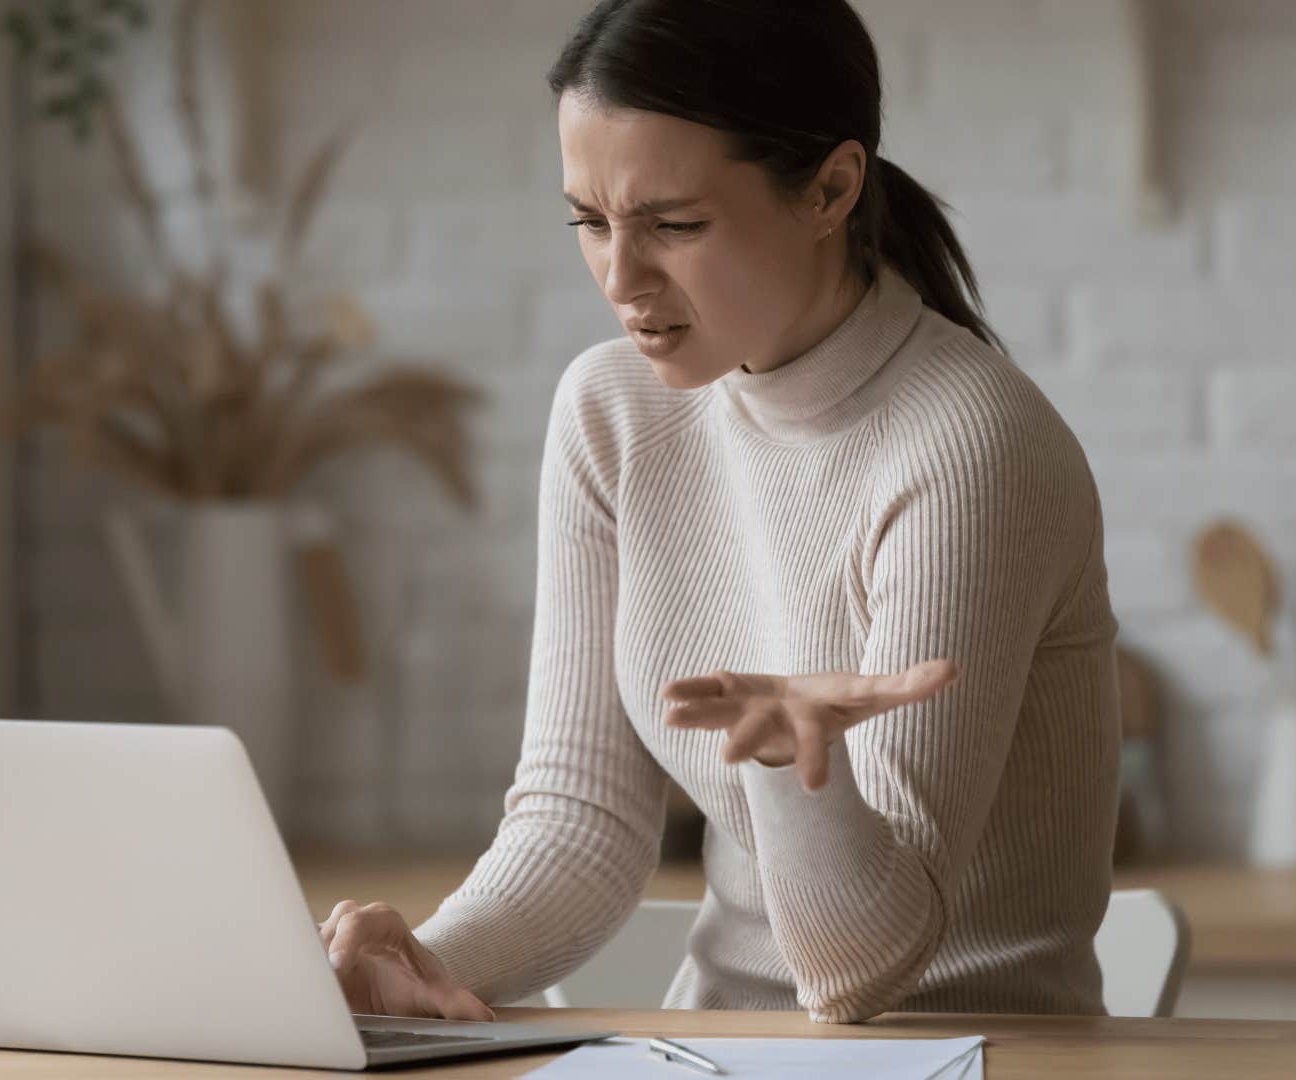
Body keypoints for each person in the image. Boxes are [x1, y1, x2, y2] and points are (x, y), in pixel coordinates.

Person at [317, 0, 1120, 1024]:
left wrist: (795, 776)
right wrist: (423, 970)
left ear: (831, 188)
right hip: (713, 1048)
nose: (621, 276)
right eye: (590, 221)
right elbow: (579, 828)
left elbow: (863, 970)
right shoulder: (614, 413)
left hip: (975, 1052)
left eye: (674, 225)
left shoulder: (966, 446)